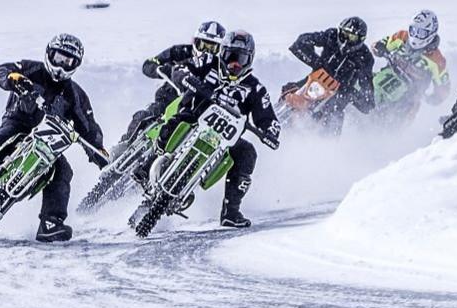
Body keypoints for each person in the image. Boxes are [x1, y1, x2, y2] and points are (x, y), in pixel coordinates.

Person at [0, 34, 107, 243]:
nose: (61, 66)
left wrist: (99, 152)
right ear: (49, 54)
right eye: (59, 58)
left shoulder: (75, 94)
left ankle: (51, 222)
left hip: (47, 143)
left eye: (68, 62)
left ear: (75, 65)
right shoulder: (30, 69)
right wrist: (11, 78)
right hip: (19, 125)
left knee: (63, 171)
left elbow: (88, 126)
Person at [156, 30, 281, 228]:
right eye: (230, 56)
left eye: (240, 59)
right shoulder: (206, 63)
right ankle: (147, 166)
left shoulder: (255, 89)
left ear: (250, 59)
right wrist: (187, 78)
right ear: (221, 53)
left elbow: (268, 117)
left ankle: (231, 212)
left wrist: (271, 131)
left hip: (224, 137)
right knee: (170, 128)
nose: (234, 64)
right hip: (193, 118)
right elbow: (180, 68)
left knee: (247, 152)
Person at [119, 21, 226, 144]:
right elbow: (148, 64)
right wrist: (162, 69)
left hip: (195, 110)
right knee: (143, 116)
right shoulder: (181, 51)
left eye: (212, 48)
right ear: (195, 41)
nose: (206, 51)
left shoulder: (220, 68)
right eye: (203, 45)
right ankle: (124, 145)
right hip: (168, 98)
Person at [281, 16, 375, 133]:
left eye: (352, 37)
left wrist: (349, 92)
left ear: (360, 39)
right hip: (315, 81)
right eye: (344, 34)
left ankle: (327, 148)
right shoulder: (331, 35)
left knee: (333, 118)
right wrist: (318, 63)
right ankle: (271, 119)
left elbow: (368, 97)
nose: (346, 40)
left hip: (337, 96)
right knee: (289, 90)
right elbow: (300, 43)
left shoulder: (365, 58)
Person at [372, 9, 451, 116]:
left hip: (408, 98)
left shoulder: (437, 60)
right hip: (387, 75)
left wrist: (435, 98)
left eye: (421, 33)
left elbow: (443, 87)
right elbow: (383, 43)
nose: (416, 36)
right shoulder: (401, 36)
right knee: (364, 83)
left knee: (399, 118)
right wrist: (379, 47)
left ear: (431, 33)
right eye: (413, 31)